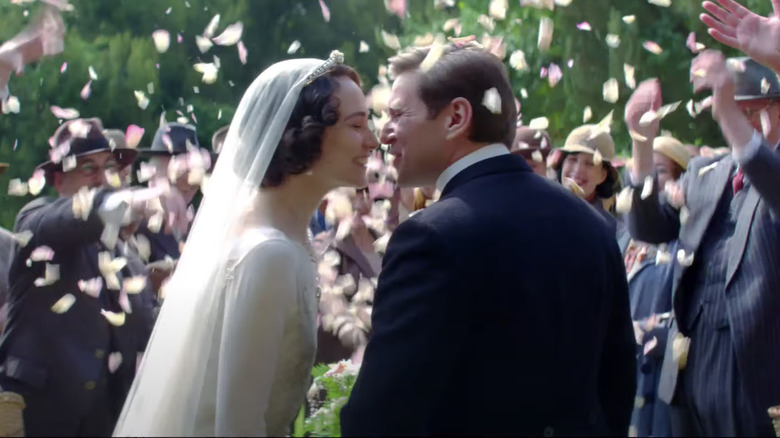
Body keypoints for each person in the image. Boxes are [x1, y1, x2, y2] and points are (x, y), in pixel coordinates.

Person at [341, 42, 636, 436]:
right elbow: (616, 387)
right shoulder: (592, 225)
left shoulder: (431, 237)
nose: (384, 135)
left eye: (397, 114)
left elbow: (380, 418)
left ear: (455, 117)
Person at [113, 51, 379, 436]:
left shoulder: (288, 238)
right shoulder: (267, 253)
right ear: (306, 135)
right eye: (357, 126)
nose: (373, 141)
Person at [625, 8, 780, 430]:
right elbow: (649, 229)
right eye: (736, 108)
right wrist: (642, 144)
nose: (742, 119)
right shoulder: (706, 174)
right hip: (689, 369)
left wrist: (729, 113)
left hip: (759, 380)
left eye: (754, 109)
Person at [0, 118, 183, 436]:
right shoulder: (36, 220)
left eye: (109, 167)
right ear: (59, 181)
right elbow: (75, 217)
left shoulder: (127, 256)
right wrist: (130, 201)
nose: (102, 178)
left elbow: (143, 331)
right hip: (39, 419)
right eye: (88, 168)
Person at [619, 135, 690, 438]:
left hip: (661, 369)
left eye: (659, 170)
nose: (650, 178)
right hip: (623, 362)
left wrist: (663, 332)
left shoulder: (685, 240)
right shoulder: (624, 235)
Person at [550, 124, 621, 234]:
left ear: (603, 175)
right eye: (573, 159)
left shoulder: (604, 227)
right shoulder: (542, 208)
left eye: (589, 163)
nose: (578, 170)